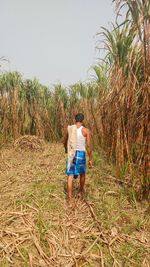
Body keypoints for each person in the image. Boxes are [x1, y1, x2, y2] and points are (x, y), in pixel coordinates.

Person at [64, 113, 92, 208]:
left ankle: (70, 201)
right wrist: (90, 158)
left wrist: (65, 149)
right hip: (81, 154)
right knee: (82, 173)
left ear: (75, 120)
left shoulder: (70, 129)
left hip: (72, 153)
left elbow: (65, 141)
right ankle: (80, 191)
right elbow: (88, 146)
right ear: (82, 120)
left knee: (70, 176)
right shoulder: (86, 130)